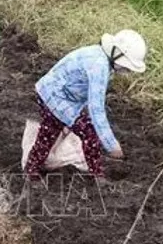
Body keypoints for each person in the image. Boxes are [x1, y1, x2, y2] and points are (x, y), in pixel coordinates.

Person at [24, 29, 147, 180]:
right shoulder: (99, 67)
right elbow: (96, 109)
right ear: (117, 55)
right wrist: (112, 145)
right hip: (55, 97)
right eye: (127, 67)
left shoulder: (97, 54)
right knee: (90, 133)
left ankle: (32, 168)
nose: (128, 71)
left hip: (52, 91)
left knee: (50, 132)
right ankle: (97, 176)